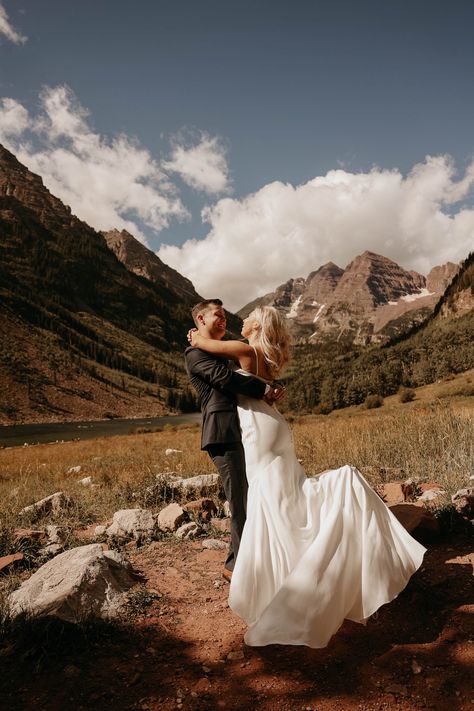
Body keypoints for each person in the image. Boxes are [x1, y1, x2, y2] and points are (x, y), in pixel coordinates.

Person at [188, 305, 426, 648]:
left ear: (258, 325)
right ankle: (294, 569)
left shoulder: (246, 350)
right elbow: (251, 379)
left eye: (248, 317)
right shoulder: (265, 356)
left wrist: (195, 336)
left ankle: (285, 581)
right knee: (288, 496)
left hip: (260, 431)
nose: (241, 321)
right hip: (275, 424)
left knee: (272, 501)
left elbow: (210, 350)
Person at [184, 299, 284, 583]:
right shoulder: (194, 354)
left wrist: (275, 386)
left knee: (254, 494)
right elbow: (225, 379)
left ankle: (256, 557)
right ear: (200, 319)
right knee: (239, 498)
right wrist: (266, 387)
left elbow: (252, 368)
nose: (224, 319)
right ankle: (234, 566)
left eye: (225, 315)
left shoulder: (222, 349)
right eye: (218, 315)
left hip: (245, 431)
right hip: (223, 433)